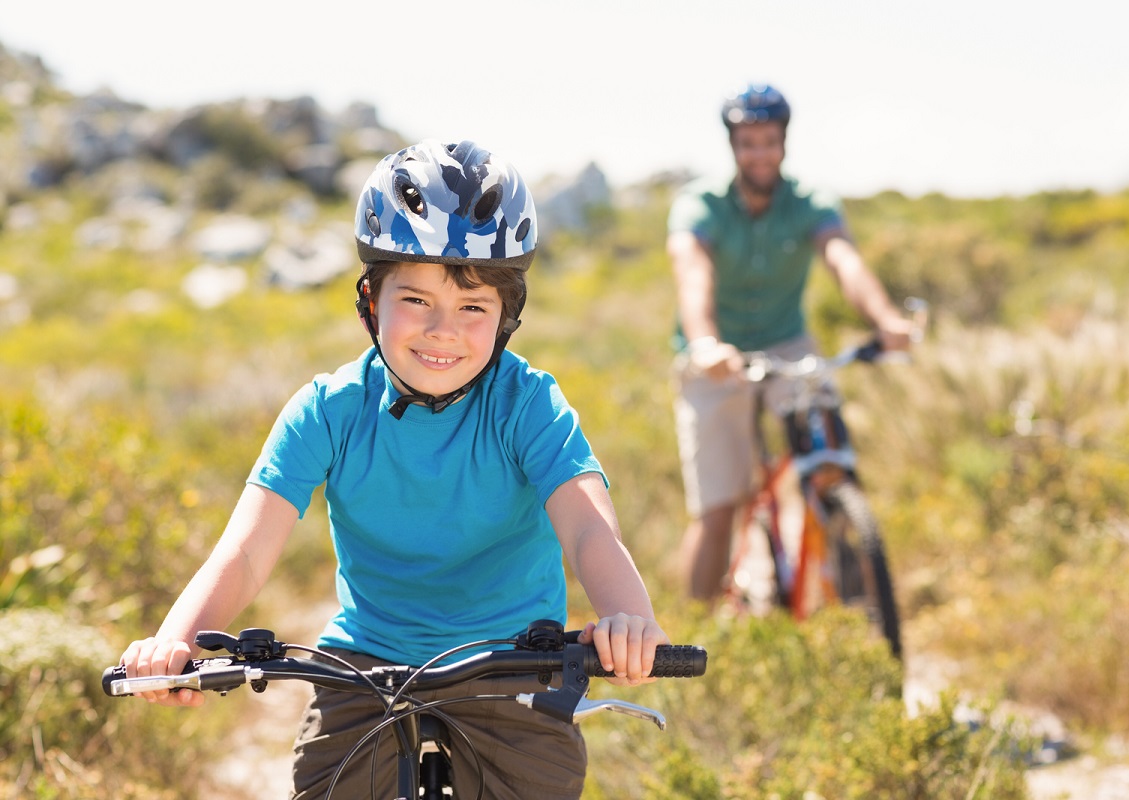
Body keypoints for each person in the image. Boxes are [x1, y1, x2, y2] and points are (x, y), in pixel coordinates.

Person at [119, 139, 668, 800]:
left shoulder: (527, 404)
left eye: (474, 307)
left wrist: (629, 616)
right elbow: (245, 552)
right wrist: (175, 641)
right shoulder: (328, 410)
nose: (443, 330)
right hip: (366, 660)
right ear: (370, 301)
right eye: (416, 300)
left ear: (506, 318)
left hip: (512, 659)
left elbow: (587, 528)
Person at [667, 84, 914, 602]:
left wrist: (887, 319)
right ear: (733, 146)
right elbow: (692, 274)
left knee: (831, 463)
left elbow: (843, 259)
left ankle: (853, 588)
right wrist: (707, 344)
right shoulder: (701, 205)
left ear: (784, 143)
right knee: (719, 508)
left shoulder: (810, 201)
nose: (760, 153)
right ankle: (692, 634)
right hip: (717, 356)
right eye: (748, 142)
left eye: (769, 141)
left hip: (787, 344)